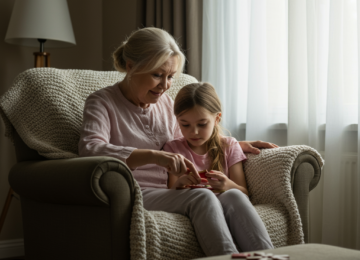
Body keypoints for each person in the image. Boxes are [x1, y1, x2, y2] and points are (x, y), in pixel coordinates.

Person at [78, 27, 277, 256]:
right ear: (132, 66)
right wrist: (153, 156)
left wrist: (229, 143)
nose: (165, 86)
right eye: (157, 75)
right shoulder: (101, 102)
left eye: (170, 77)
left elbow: (189, 137)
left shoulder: (163, 104)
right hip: (135, 191)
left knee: (231, 194)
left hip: (171, 191)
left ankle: (271, 255)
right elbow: (90, 149)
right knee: (201, 196)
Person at [163, 82, 274, 251]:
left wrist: (227, 185)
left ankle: (266, 255)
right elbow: (171, 194)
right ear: (177, 121)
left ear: (217, 118)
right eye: (185, 125)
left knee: (234, 195)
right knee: (211, 197)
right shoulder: (173, 149)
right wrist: (181, 183)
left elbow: (243, 192)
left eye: (202, 124)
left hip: (226, 201)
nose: (194, 132)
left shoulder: (228, 146)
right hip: (195, 205)